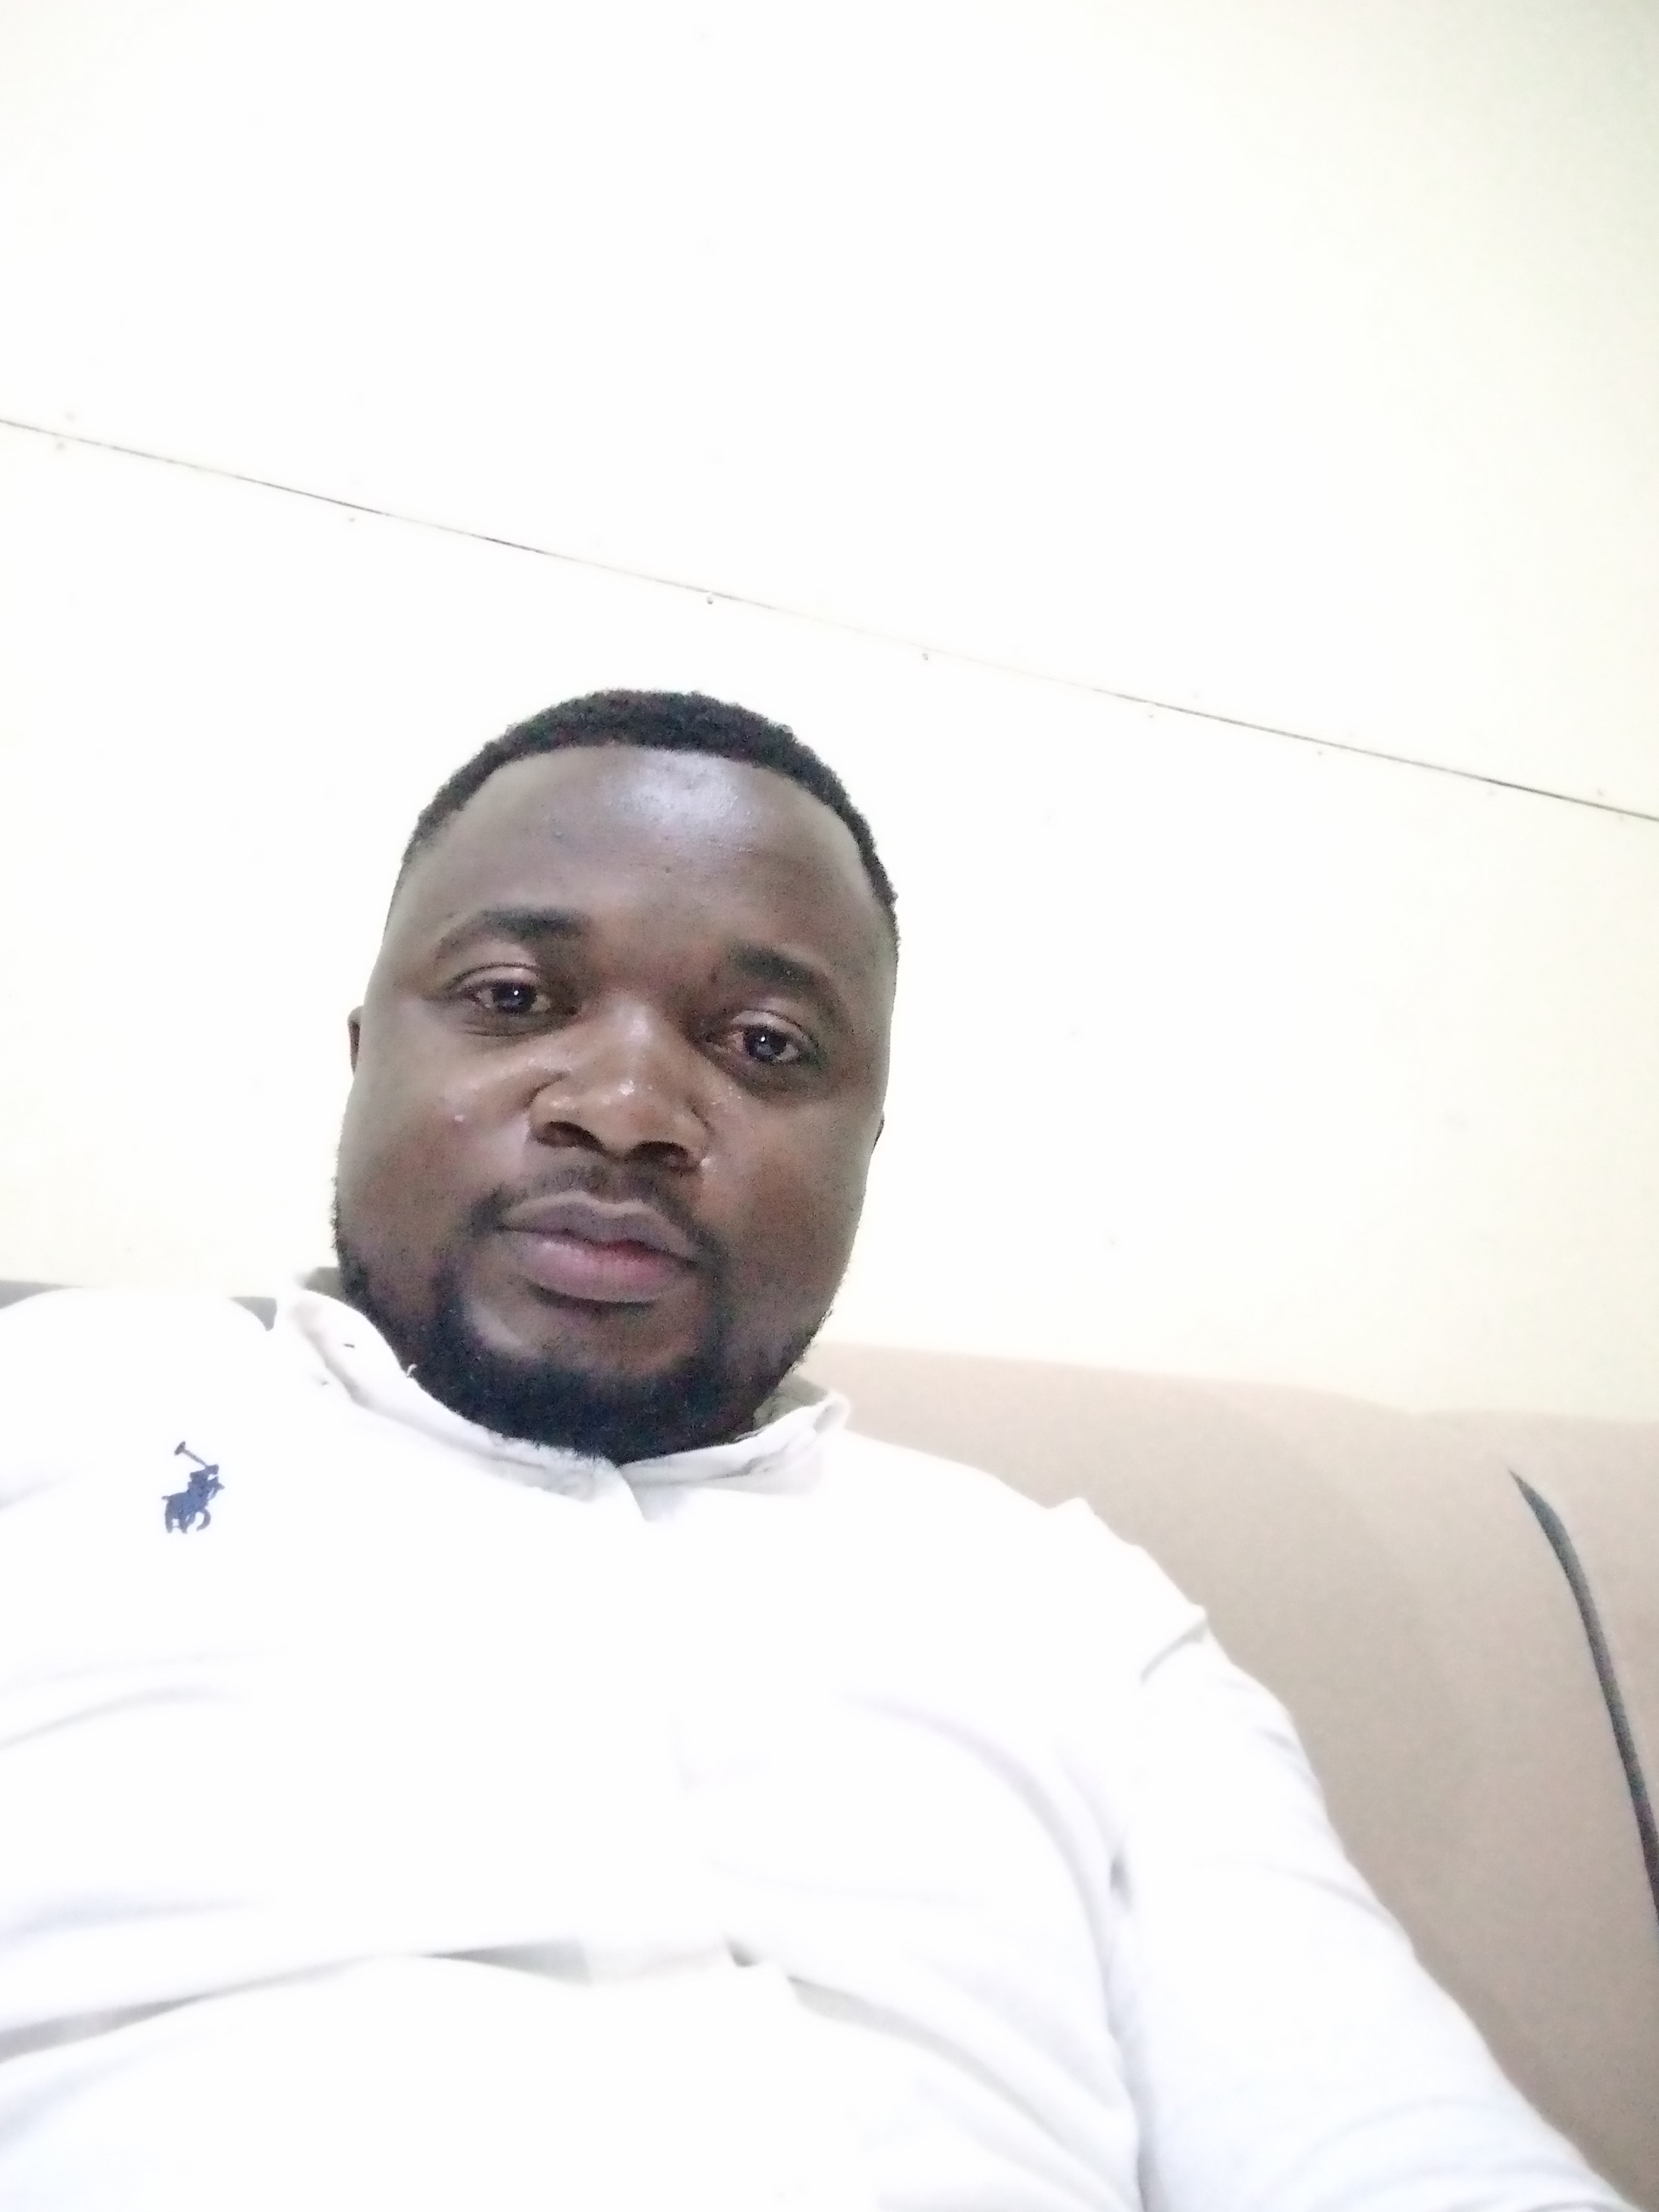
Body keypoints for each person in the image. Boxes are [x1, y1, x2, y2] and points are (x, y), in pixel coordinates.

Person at [0, 691, 1629, 2212]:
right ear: (369, 1053)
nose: (626, 1106)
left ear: (867, 1144)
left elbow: (1385, 2144)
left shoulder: (1073, 1616)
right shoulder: (55, 1402)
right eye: (513, 1000)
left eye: (767, 1044)